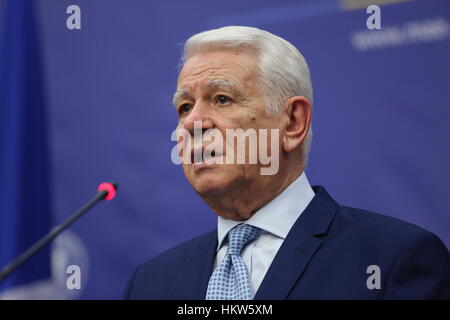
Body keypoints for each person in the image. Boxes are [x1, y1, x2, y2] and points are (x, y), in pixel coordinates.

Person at [123, 26, 449, 299]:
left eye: (222, 99)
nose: (192, 123)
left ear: (293, 122)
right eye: (184, 107)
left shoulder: (391, 259)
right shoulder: (150, 284)